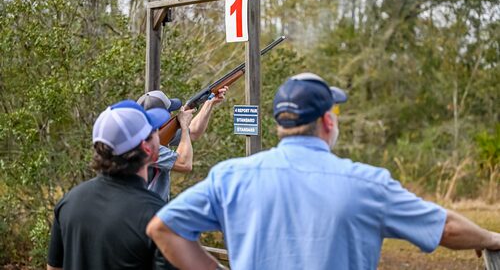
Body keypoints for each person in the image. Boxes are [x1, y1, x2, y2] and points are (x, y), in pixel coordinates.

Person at [146, 72, 500, 270]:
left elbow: (164, 228)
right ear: (328, 121)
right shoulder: (367, 183)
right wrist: (491, 239)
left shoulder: (230, 177)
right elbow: (447, 228)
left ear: (279, 125)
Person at [47, 100, 176, 270]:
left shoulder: (69, 202)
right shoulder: (158, 216)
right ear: (147, 148)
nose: (159, 136)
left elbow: (53, 267)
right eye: (154, 132)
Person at [137, 87, 227, 202]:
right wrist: (183, 126)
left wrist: (209, 103)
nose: (171, 115)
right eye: (169, 112)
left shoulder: (149, 135)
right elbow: (184, 164)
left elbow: (194, 132)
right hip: (146, 212)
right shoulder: (146, 147)